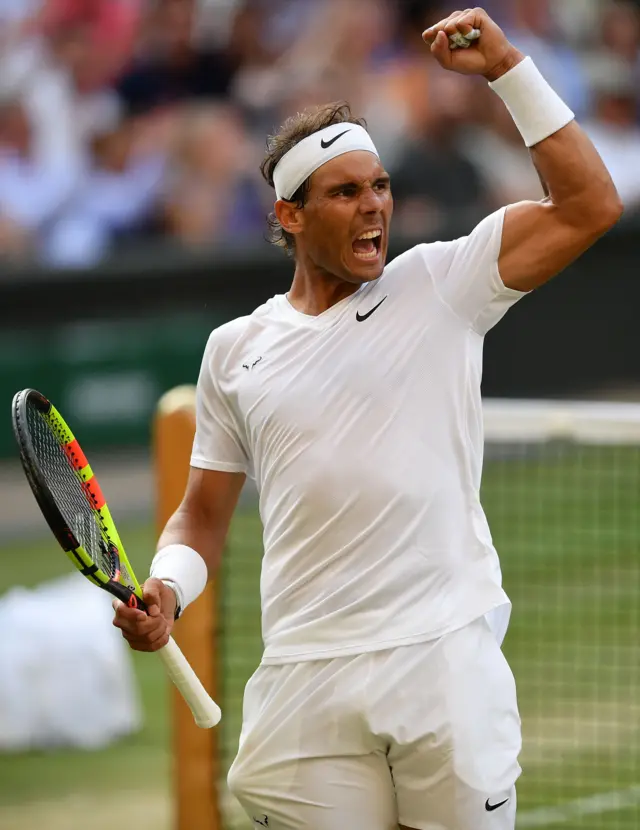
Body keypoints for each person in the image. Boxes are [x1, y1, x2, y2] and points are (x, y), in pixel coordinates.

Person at [112, 8, 622, 830]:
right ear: (290, 216)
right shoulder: (233, 350)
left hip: (441, 661)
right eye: (345, 193)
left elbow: (589, 205)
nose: (373, 207)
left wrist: (506, 70)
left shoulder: (441, 283)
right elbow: (202, 515)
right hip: (305, 678)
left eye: (379, 186)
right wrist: (168, 589)